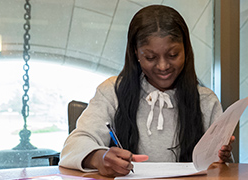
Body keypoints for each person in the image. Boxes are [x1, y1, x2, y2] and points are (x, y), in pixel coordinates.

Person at [59, 5, 234, 177]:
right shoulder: (113, 92)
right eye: (150, 57)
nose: (163, 66)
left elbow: (223, 169)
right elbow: (73, 146)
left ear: (186, 50)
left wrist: (222, 157)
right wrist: (99, 158)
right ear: (136, 53)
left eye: (173, 55)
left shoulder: (205, 100)